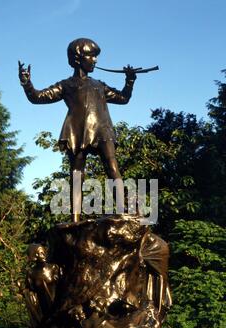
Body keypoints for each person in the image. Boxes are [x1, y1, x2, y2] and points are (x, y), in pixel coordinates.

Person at [18, 38, 137, 222]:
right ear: (77, 58)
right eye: (91, 56)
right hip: (76, 132)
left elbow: (123, 98)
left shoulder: (99, 85)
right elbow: (38, 97)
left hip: (102, 130)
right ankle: (75, 220)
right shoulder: (66, 85)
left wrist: (129, 81)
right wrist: (27, 84)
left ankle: (124, 210)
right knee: (76, 176)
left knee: (112, 168)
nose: (95, 60)